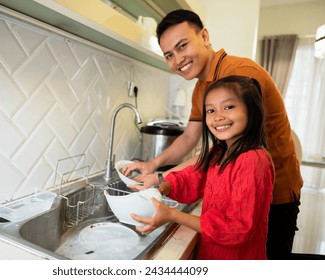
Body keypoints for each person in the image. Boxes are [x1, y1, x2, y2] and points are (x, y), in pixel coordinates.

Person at [122, 10, 303, 260]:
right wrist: (154, 168)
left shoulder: (242, 73)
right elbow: (190, 138)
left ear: (204, 36)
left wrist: (166, 184)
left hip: (275, 193)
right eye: (169, 55)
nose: (178, 59)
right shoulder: (201, 88)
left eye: (182, 45)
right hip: (233, 191)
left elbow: (222, 153)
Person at [131, 75, 274, 259]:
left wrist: (173, 215)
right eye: (210, 110)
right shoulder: (219, 152)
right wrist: (163, 187)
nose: (218, 117)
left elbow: (238, 228)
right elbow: (193, 177)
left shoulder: (253, 160)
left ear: (252, 110)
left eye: (229, 107)